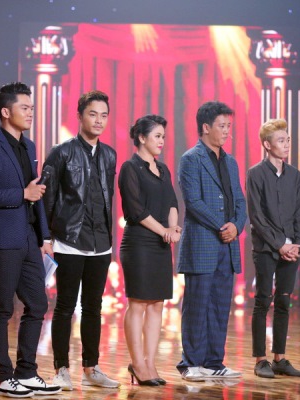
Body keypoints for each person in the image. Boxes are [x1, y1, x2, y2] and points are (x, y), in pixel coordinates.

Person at [0, 82, 61, 397]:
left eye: (32, 107)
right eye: (25, 107)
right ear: (6, 112)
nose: (31, 112)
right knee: (2, 308)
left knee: (37, 303)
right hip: (1, 239)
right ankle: (2, 376)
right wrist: (22, 193)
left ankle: (26, 372)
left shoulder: (30, 146)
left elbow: (37, 194)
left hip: (28, 238)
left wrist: (45, 236)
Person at [42, 90, 120, 390]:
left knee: (93, 307)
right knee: (64, 306)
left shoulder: (109, 154)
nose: (99, 120)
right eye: (93, 114)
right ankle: (61, 369)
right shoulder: (61, 152)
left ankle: (91, 368)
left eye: (104, 115)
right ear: (80, 116)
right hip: (68, 239)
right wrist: (45, 236)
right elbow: (47, 198)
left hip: (101, 242)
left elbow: (106, 198)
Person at [176, 101, 247, 381]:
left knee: (219, 306)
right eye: (222, 126)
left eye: (229, 126)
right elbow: (193, 202)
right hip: (203, 242)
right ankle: (190, 362)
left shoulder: (230, 161)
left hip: (227, 245)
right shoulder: (190, 159)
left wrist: (236, 226)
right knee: (197, 305)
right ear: (206, 127)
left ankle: (214, 361)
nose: (227, 131)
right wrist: (222, 226)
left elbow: (240, 200)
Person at [118, 114, 181, 387]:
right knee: (138, 303)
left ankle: (150, 362)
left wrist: (174, 227)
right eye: (157, 136)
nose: (162, 141)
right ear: (142, 138)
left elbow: (172, 202)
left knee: (157, 304)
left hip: (161, 245)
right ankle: (137, 363)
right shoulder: (130, 168)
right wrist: (164, 231)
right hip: (139, 244)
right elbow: (135, 210)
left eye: (163, 137)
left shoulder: (163, 169)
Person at [246, 118, 300, 379]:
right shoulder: (256, 174)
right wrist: (279, 244)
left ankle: (280, 358)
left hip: (291, 249)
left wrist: (296, 244)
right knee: (263, 301)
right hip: (266, 248)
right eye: (281, 140)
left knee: (284, 301)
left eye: (288, 140)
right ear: (267, 144)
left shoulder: (295, 175)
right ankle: (260, 359)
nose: (286, 144)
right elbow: (257, 216)